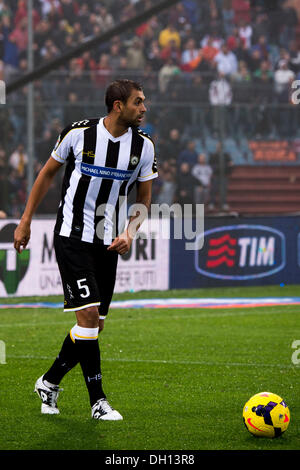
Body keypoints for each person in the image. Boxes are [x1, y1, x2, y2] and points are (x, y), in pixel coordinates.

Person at [13, 79, 158, 420]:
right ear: (117, 106)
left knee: (94, 327)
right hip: (71, 237)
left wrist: (130, 233)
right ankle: (98, 401)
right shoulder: (78, 134)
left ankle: (49, 382)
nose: (144, 108)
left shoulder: (144, 146)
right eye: (138, 102)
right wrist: (25, 220)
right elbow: (47, 175)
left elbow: (145, 198)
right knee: (89, 317)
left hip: (107, 243)